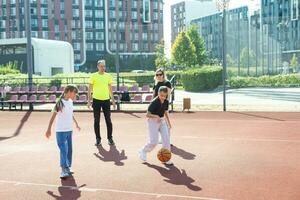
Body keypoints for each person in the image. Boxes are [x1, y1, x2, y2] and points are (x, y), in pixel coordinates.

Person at [45, 85, 81, 179]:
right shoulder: (60, 103)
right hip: (60, 131)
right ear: (69, 91)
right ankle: (63, 170)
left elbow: (71, 114)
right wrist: (48, 129)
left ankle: (68, 167)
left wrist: (76, 124)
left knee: (69, 150)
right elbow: (53, 116)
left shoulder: (70, 102)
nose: (75, 95)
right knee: (63, 150)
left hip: (69, 130)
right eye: (74, 93)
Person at [138, 86, 173, 166]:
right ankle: (143, 151)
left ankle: (167, 158)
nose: (163, 97)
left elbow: (165, 112)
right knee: (154, 142)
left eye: (165, 96)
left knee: (166, 140)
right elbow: (147, 114)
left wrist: (168, 123)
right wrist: (155, 116)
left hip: (162, 121)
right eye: (161, 95)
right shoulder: (154, 102)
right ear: (158, 93)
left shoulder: (166, 101)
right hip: (153, 121)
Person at [87, 60, 116, 146]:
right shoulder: (93, 76)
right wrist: (89, 101)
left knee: (108, 120)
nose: (103, 68)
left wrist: (113, 100)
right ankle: (98, 139)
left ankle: (110, 138)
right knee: (96, 121)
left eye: (104, 66)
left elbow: (110, 89)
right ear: (98, 67)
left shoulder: (108, 76)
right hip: (96, 101)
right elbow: (89, 89)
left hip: (106, 101)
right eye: (101, 66)